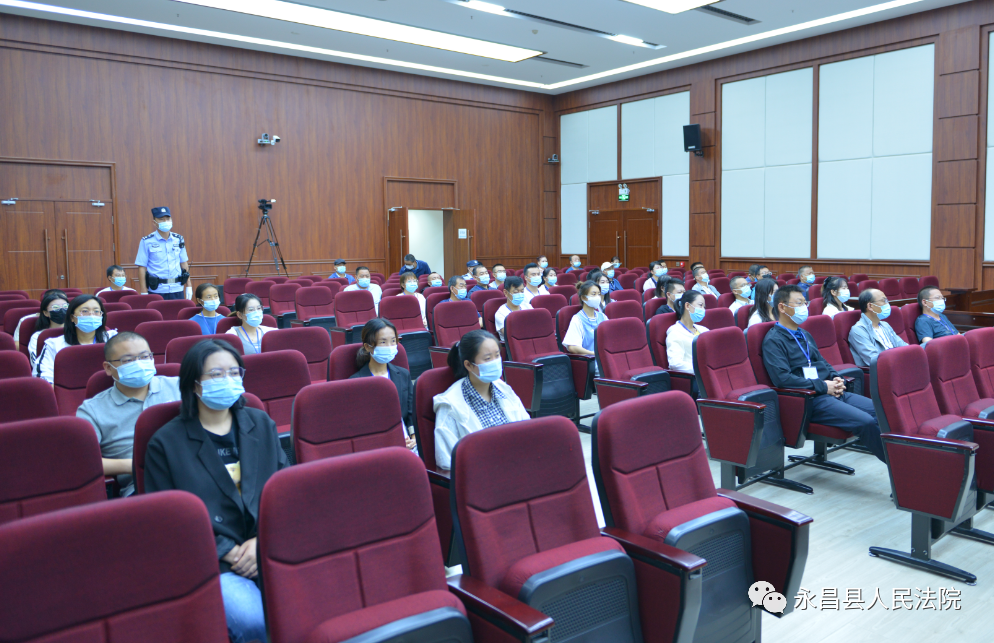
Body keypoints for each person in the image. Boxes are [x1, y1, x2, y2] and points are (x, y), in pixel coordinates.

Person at [144, 339, 286, 643]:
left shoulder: (260, 422)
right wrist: (228, 552)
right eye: (217, 374)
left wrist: (262, 540)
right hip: (213, 558)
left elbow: (286, 489)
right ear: (194, 384)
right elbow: (166, 520)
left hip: (270, 544)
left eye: (235, 373)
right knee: (253, 622)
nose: (228, 380)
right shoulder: (165, 443)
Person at [763, 285, 885, 462]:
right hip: (811, 399)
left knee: (881, 412)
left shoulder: (804, 334)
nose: (804, 307)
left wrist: (836, 378)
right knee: (865, 421)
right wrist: (823, 386)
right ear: (782, 307)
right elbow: (782, 379)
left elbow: (822, 362)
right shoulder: (773, 340)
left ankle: (902, 459)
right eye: (799, 303)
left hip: (831, 391)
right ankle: (899, 469)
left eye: (804, 302)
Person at [76, 332, 181, 496]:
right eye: (128, 360)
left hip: (194, 468)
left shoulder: (179, 387)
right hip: (143, 485)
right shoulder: (92, 410)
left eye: (145, 357)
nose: (139, 364)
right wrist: (137, 464)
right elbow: (82, 461)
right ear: (108, 368)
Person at [433, 330, 529, 470]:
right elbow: (447, 461)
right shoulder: (450, 405)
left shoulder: (504, 389)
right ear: (468, 365)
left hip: (519, 465)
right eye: (488, 358)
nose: (495, 362)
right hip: (482, 475)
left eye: (497, 355)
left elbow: (527, 431)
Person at [350, 319, 416, 447]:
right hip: (377, 446)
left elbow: (411, 412)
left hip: (408, 442)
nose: (390, 347)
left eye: (393, 341)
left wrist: (414, 437)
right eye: (383, 342)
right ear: (368, 347)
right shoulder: (354, 383)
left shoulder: (403, 374)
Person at [36, 295, 117, 384]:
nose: (91, 315)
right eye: (85, 311)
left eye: (96, 311)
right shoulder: (54, 345)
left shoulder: (113, 339)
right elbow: (44, 379)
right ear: (72, 317)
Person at [136, 207, 189, 300]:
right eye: (161, 219)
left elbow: (184, 263)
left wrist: (189, 286)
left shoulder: (179, 239)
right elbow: (142, 267)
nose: (165, 221)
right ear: (154, 222)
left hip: (177, 288)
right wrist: (143, 290)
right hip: (157, 289)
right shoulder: (146, 241)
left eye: (168, 219)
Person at [848, 289, 908, 368]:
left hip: (898, 364)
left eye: (887, 300)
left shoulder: (885, 325)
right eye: (883, 301)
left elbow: (904, 346)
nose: (887, 304)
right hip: (883, 370)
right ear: (870, 306)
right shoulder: (858, 330)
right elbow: (874, 360)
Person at [667, 291, 710, 395]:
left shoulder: (704, 330)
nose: (703, 310)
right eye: (700, 305)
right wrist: (703, 370)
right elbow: (675, 363)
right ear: (687, 306)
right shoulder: (675, 332)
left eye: (704, 307)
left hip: (712, 375)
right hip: (696, 380)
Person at [563, 282, 607, 373]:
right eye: (593, 294)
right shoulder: (577, 319)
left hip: (608, 360)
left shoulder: (603, 316)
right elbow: (573, 347)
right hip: (592, 362)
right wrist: (595, 354)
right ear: (583, 298)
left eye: (599, 294)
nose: (597, 297)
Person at [25, 290, 69, 370]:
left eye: (65, 306)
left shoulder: (77, 332)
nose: (62, 310)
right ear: (46, 313)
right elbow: (36, 363)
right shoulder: (38, 336)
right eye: (56, 307)